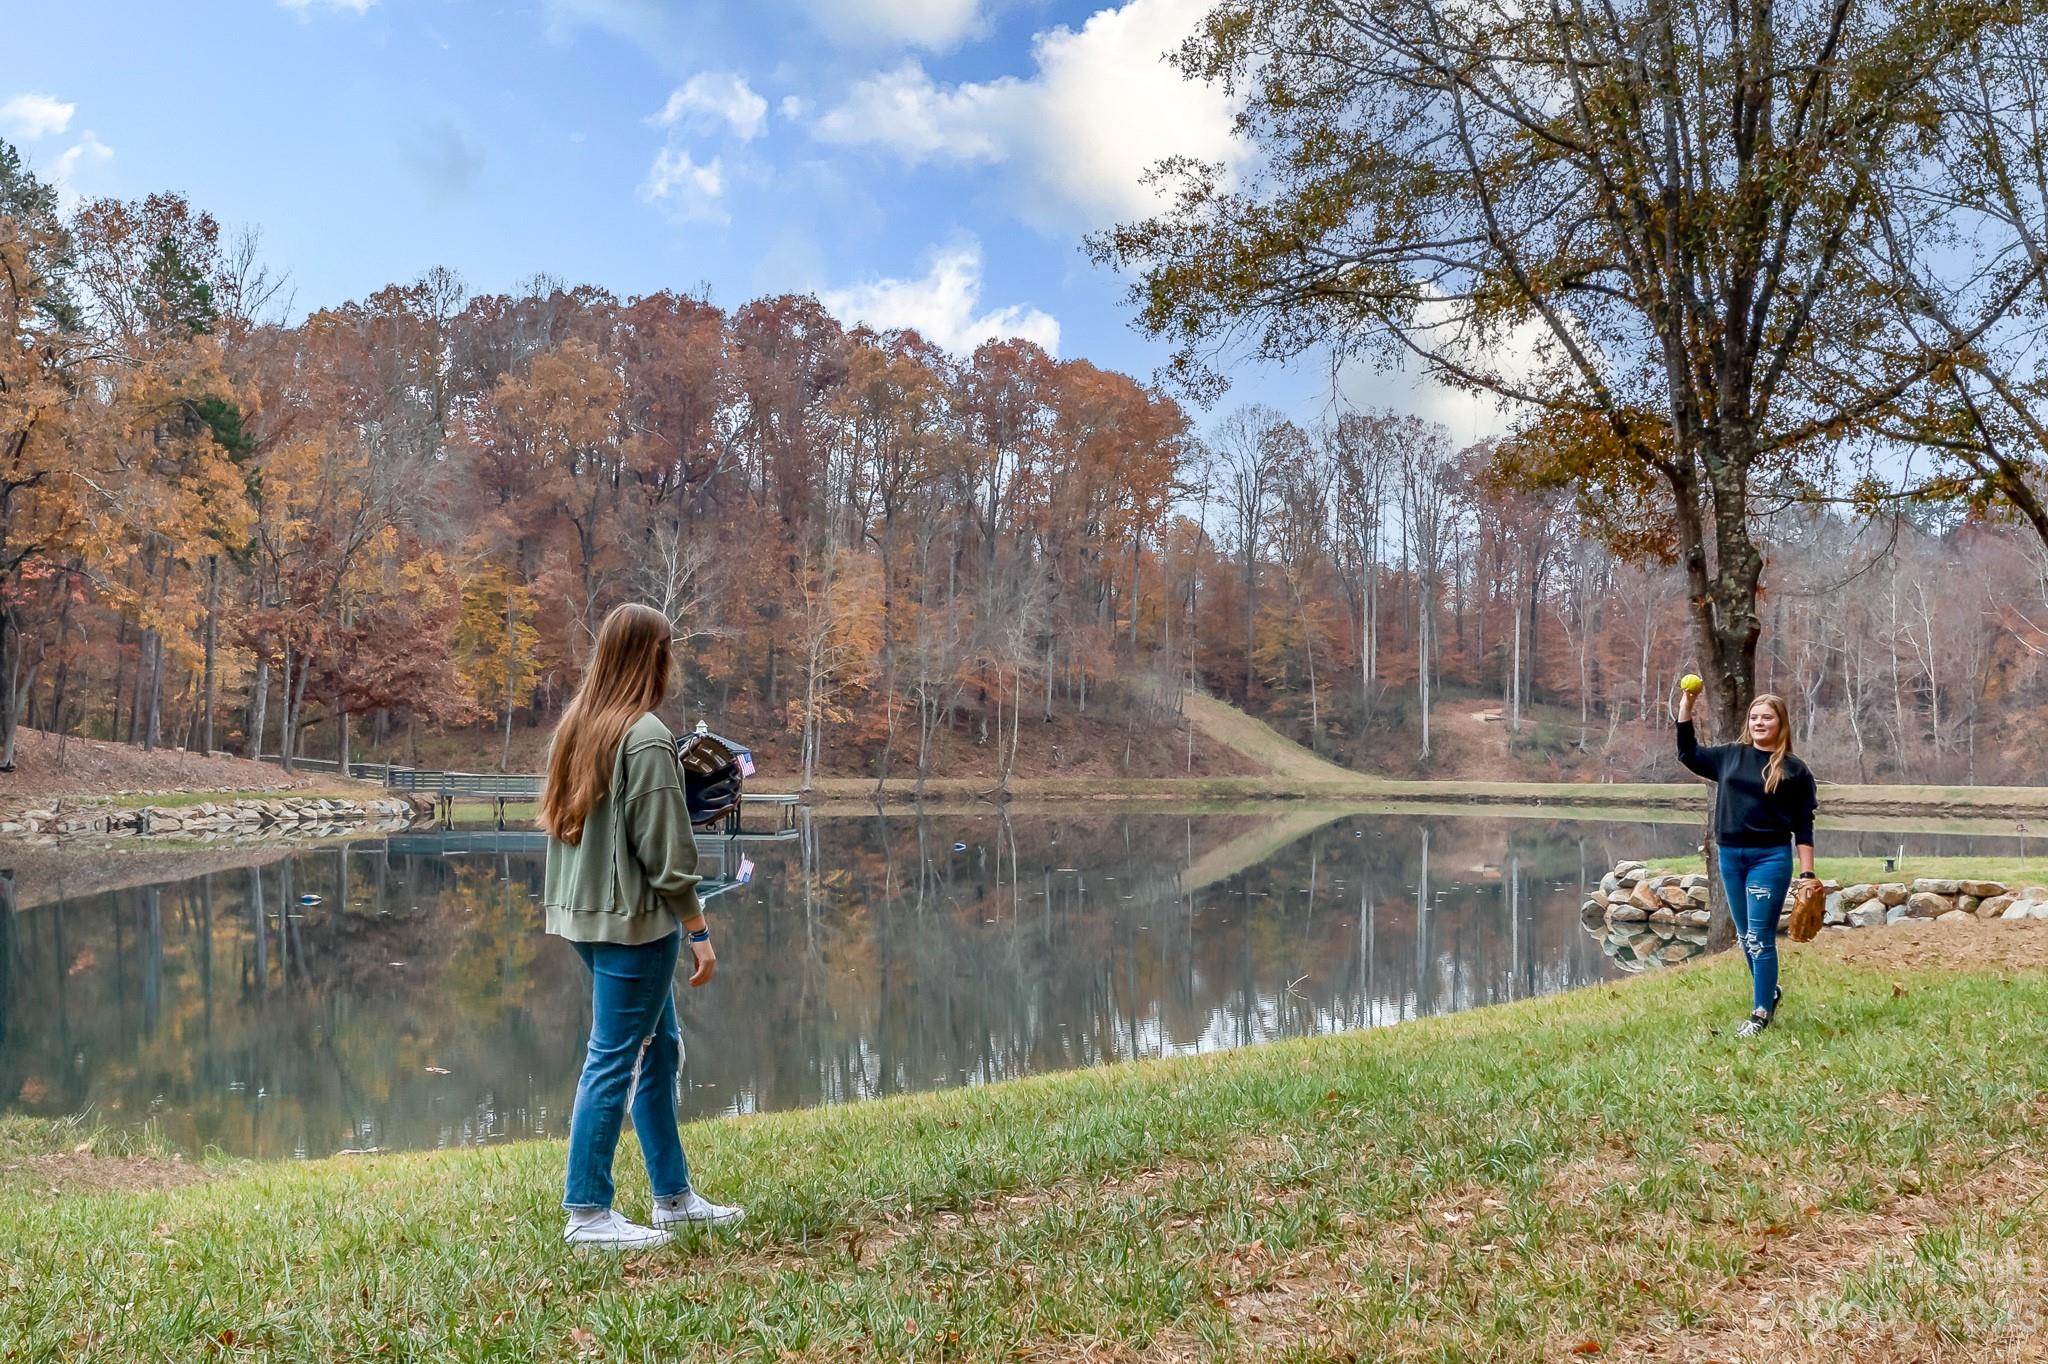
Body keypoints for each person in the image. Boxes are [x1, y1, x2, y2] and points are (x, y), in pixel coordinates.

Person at [539, 602, 744, 1250]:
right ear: (652, 657)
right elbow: (665, 854)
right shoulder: (647, 735)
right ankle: (588, 1212)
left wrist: (669, 794)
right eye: (667, 649)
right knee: (616, 1058)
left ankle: (673, 1198)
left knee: (658, 1051)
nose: (671, 660)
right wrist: (699, 930)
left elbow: (600, 824)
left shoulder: (580, 727)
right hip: (635, 924)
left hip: (584, 916)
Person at [1675, 685, 1818, 1037]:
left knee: (1759, 937)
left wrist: (1808, 873)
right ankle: (1769, 992)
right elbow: (1688, 753)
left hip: (1769, 858)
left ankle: (1759, 1015)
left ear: (1780, 723)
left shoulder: (1794, 770)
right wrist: (1687, 705)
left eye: (1766, 717)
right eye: (1754, 717)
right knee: (1744, 937)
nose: (1758, 722)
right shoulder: (1730, 756)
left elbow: (1803, 825)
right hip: (1730, 857)